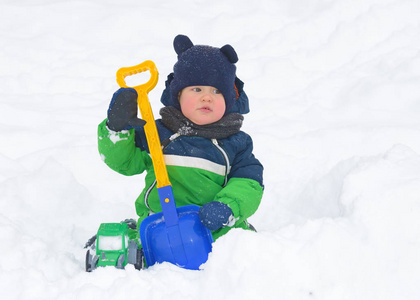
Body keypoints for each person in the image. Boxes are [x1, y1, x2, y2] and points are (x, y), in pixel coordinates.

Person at [97, 34, 264, 242]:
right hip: (159, 229)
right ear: (177, 95)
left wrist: (228, 207)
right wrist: (116, 130)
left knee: (243, 252)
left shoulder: (236, 143)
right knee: (130, 248)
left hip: (217, 233)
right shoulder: (157, 133)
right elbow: (124, 162)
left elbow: (249, 184)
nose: (207, 97)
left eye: (217, 91)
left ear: (230, 100)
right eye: (196, 89)